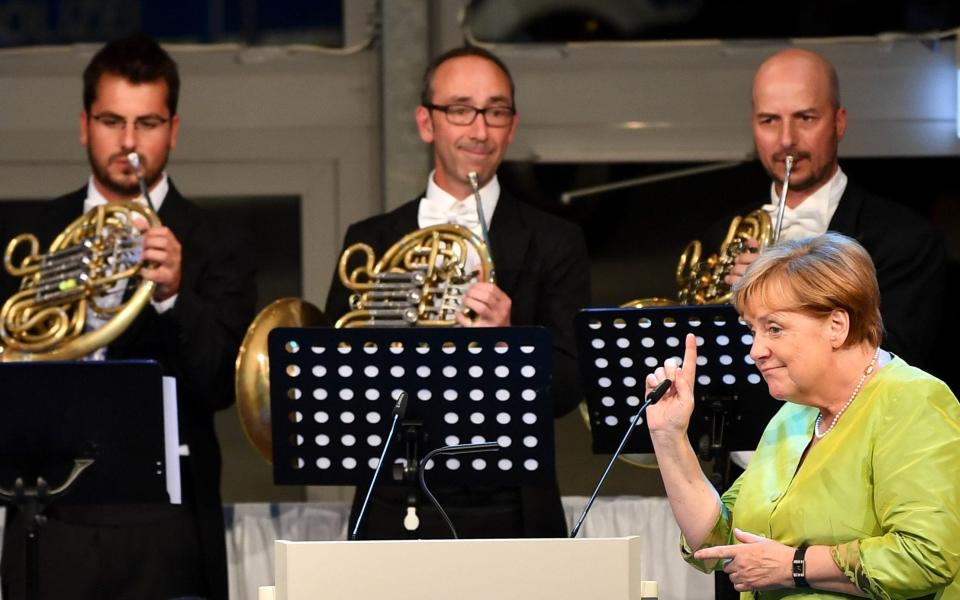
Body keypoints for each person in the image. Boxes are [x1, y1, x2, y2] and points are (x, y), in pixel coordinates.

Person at [0, 34, 255, 600]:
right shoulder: (34, 235)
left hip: (164, 530)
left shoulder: (217, 242)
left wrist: (173, 297)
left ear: (174, 129)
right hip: (50, 521)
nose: (129, 142)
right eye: (112, 120)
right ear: (84, 125)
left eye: (148, 123)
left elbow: (219, 385)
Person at [325, 45, 590, 539]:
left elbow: (571, 386)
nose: (479, 129)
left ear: (511, 126)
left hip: (510, 500)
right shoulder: (371, 239)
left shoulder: (556, 240)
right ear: (427, 123)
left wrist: (511, 343)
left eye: (495, 111)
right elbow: (343, 375)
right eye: (461, 110)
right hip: (394, 493)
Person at [645, 233, 960, 598]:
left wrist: (794, 566)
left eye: (774, 328)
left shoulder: (912, 401)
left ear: (836, 326)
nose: (755, 350)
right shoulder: (792, 417)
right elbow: (718, 542)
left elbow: (926, 556)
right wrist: (670, 438)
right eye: (752, 330)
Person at [725, 48, 945, 371]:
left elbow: (896, 361)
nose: (787, 139)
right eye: (769, 120)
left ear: (838, 124)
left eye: (806, 118)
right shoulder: (723, 233)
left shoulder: (907, 240)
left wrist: (778, 287)